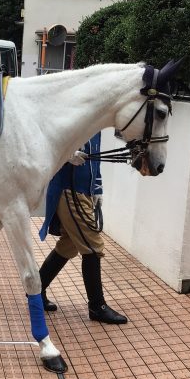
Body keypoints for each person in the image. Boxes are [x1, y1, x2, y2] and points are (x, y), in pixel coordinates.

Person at [38, 132, 127, 324]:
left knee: (68, 246)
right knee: (93, 247)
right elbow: (46, 143)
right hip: (69, 189)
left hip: (83, 191)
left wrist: (97, 189)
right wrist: (66, 155)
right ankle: (97, 306)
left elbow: (95, 160)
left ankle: (36, 290)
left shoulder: (96, 123)